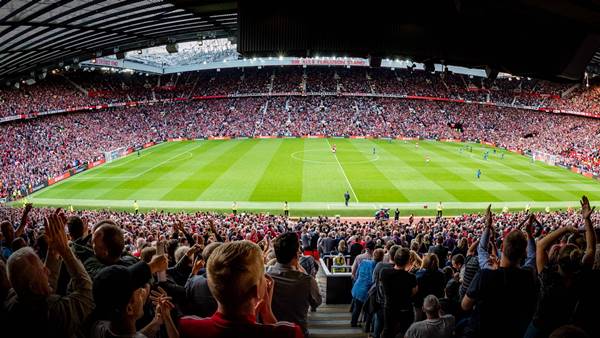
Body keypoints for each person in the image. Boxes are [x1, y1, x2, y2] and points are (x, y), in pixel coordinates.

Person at [178, 241, 304, 338]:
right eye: (262, 277)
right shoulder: (289, 332)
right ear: (255, 291)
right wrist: (267, 313)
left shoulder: (187, 326)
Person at [4, 212, 94, 338]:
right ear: (32, 286)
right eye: (42, 269)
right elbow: (87, 294)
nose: (47, 271)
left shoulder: (15, 297)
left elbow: (43, 285)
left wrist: (53, 250)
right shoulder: (52, 313)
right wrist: (65, 250)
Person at [461, 206, 537, 338]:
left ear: (502, 247)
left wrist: (487, 226)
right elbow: (532, 257)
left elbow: (465, 306)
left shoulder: (486, 274)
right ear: (523, 253)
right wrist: (529, 234)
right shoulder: (528, 275)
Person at [91, 255, 175, 338]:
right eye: (139, 292)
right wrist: (167, 318)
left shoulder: (99, 327)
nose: (144, 291)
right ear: (129, 309)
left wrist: (157, 321)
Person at [266, 232, 322, 336]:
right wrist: (303, 272)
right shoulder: (307, 280)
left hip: (271, 331)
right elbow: (317, 302)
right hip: (298, 332)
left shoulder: (264, 276)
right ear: (296, 254)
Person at [380, 248, 417, 338]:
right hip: (405, 308)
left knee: (387, 330)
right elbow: (414, 292)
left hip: (389, 307)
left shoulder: (384, 272)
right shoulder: (411, 277)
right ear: (408, 261)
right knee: (404, 331)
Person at [350, 248, 383, 327]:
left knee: (357, 308)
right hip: (368, 292)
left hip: (357, 287)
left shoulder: (364, 262)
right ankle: (367, 327)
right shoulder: (379, 267)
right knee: (369, 310)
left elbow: (357, 275)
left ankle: (353, 323)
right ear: (382, 257)